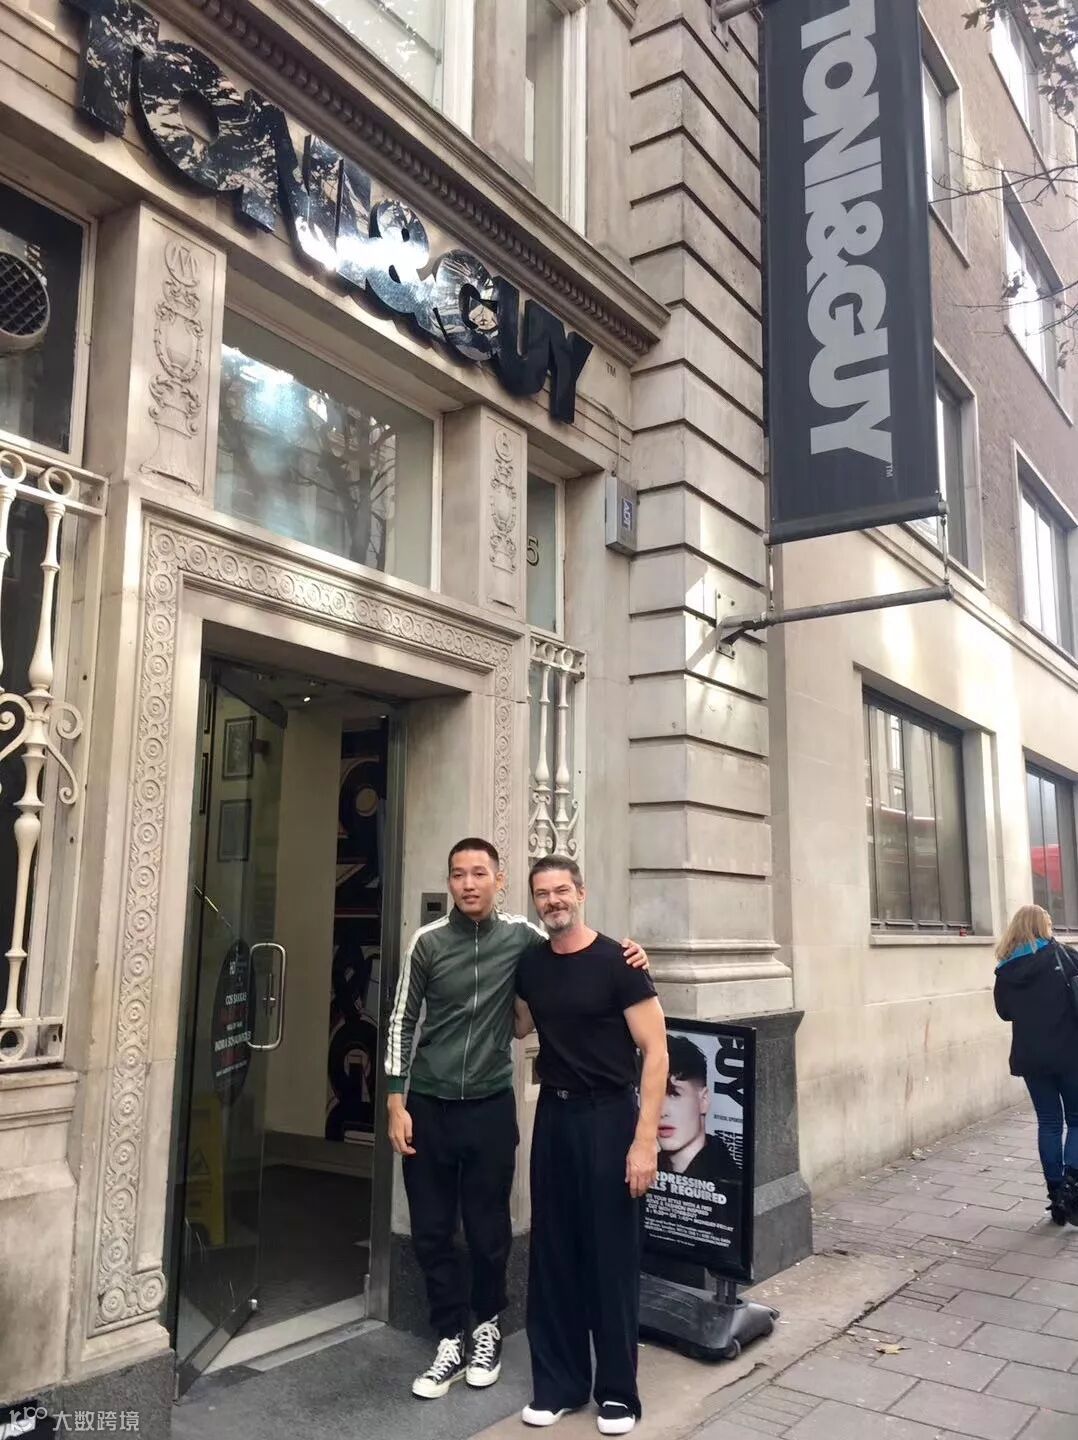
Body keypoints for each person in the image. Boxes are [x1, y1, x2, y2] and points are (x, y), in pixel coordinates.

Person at [385, 838, 648, 1400]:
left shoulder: (523, 939)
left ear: (499, 881)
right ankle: (449, 1336)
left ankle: (486, 1328)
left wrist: (631, 954)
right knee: (430, 1229)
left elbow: (575, 943)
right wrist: (394, 1100)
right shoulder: (427, 941)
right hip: (428, 1103)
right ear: (450, 882)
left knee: (488, 1231)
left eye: (480, 873)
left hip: (490, 1104)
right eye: (458, 874)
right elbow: (402, 1020)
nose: (469, 884)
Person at [515, 855, 669, 1437]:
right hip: (555, 1117)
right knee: (553, 1252)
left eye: (562, 890)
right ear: (534, 902)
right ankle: (559, 1386)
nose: (553, 901)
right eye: (542, 893)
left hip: (610, 1117)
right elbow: (518, 1025)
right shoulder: (530, 964)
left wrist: (645, 1141)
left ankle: (618, 1394)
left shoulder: (619, 962)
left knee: (611, 1255)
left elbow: (657, 1051)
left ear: (581, 892)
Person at [994, 904, 1078, 1225]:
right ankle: (1071, 1189)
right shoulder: (1065, 956)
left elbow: (1005, 1013)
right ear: (1045, 927)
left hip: (1031, 1056)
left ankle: (1055, 1190)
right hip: (1070, 1053)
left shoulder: (1006, 968)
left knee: (1049, 1122)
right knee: (1076, 1120)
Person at [657, 1035, 739, 1184]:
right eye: (651, 1096)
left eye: (674, 1094)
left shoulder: (728, 1180)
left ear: (703, 1100)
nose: (661, 1112)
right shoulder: (640, 1167)